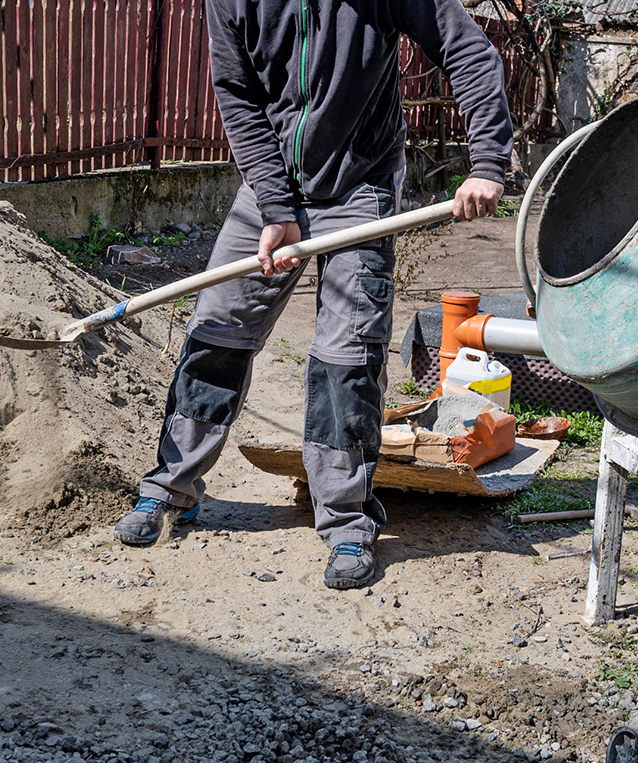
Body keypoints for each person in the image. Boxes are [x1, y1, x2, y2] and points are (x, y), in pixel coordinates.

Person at [111, 0, 514, 589]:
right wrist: (276, 207)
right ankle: (172, 487)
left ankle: (347, 519)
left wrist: (487, 163)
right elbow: (238, 94)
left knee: (346, 357)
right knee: (218, 331)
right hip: (269, 187)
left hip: (360, 183)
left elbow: (468, 49)